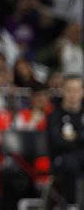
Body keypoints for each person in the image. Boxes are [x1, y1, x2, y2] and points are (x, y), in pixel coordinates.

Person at [46, 74, 84, 206]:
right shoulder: (54, 115)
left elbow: (67, 141)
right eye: (69, 90)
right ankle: (71, 205)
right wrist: (81, 137)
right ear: (62, 90)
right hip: (61, 158)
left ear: (82, 92)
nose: (73, 94)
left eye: (77, 90)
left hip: (80, 156)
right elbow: (58, 143)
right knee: (70, 164)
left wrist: (74, 137)